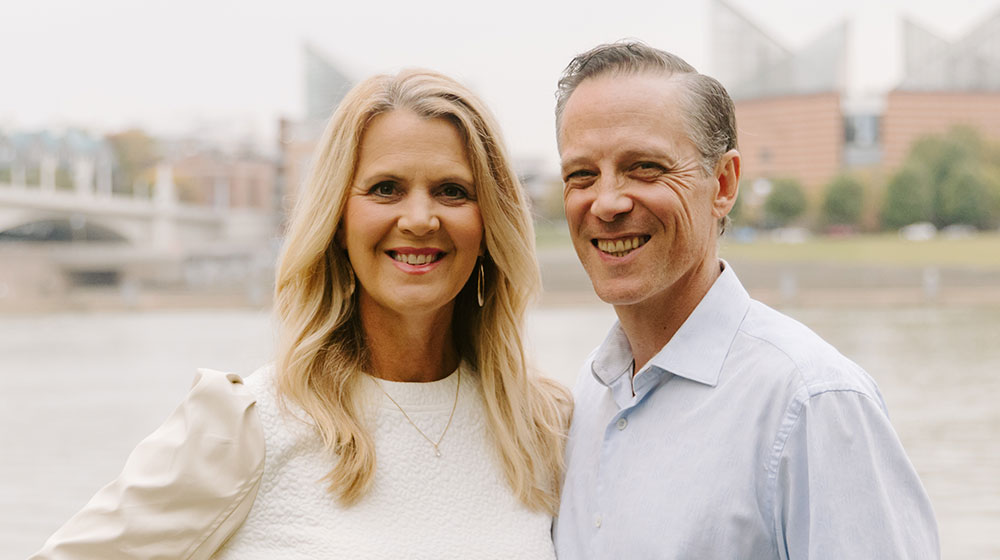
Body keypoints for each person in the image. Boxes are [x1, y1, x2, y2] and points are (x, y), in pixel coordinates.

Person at [32, 69, 570, 559]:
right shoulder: (245, 427)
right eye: (386, 189)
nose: (420, 218)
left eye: (453, 191)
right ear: (337, 218)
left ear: (490, 224)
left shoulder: (547, 425)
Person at [551, 41, 939, 559]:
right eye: (581, 175)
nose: (607, 201)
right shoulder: (589, 396)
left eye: (644, 167)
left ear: (723, 184)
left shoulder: (813, 404)